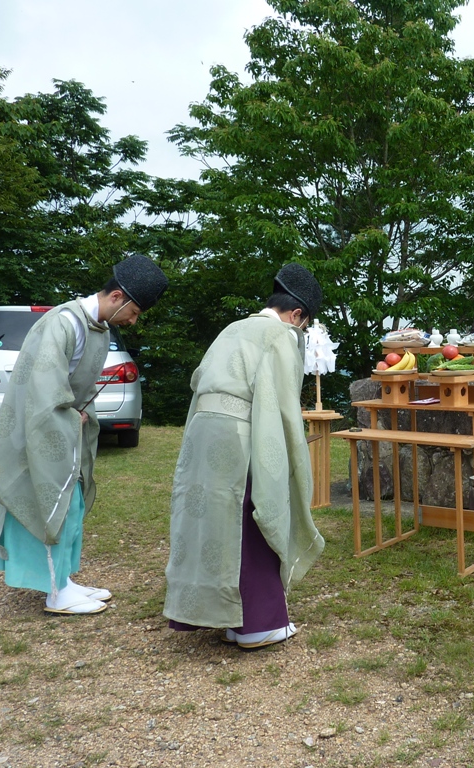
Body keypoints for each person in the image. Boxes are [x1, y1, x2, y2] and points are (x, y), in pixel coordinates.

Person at [0, 254, 169, 615]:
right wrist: (70, 417)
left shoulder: (96, 327)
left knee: (71, 502)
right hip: (39, 429)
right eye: (134, 312)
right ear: (117, 297)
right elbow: (43, 390)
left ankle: (63, 579)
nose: (133, 320)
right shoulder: (64, 323)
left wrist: (79, 414)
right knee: (48, 501)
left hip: (66, 426)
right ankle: (55, 592)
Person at [163, 263, 325, 649]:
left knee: (211, 521)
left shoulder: (232, 328)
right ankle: (255, 625)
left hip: (202, 430)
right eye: (304, 325)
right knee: (253, 513)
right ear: (297, 314)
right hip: (241, 434)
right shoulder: (281, 334)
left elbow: (199, 382)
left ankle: (221, 615)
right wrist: (288, 447)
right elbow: (279, 401)